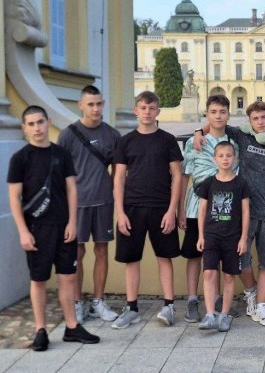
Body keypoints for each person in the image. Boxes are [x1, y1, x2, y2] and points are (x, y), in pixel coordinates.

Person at [7, 106, 99, 351]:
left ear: (48, 122)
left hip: (63, 226)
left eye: (40, 122)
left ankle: (72, 326)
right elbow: (14, 198)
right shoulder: (20, 158)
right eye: (31, 124)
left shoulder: (61, 154)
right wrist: (23, 231)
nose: (37, 128)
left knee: (68, 277)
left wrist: (72, 222)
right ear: (24, 128)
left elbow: (71, 189)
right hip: (36, 228)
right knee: (39, 279)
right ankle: (41, 330)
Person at [192, 101, 265, 325]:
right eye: (255, 118)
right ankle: (252, 292)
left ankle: (262, 306)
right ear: (250, 121)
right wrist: (198, 132)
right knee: (240, 260)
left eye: (264, 117)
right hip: (244, 212)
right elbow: (218, 123)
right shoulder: (243, 137)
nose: (260, 122)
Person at [112, 91, 183, 328]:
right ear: (136, 111)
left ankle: (169, 305)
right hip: (131, 208)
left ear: (158, 111)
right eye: (143, 108)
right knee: (131, 259)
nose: (147, 112)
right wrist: (120, 212)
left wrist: (172, 210)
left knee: (164, 257)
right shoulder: (125, 141)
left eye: (152, 108)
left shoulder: (167, 140)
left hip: (161, 207)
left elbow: (177, 175)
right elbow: (119, 177)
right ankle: (131, 308)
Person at [58, 85, 121, 323]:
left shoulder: (112, 135)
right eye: (91, 104)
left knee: (102, 250)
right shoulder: (68, 135)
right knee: (77, 252)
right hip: (76, 204)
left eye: (99, 104)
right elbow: (59, 172)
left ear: (103, 104)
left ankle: (98, 302)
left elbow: (118, 172)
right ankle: (77, 303)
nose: (95, 109)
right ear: (81, 105)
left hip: (103, 201)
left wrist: (112, 193)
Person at [179, 95, 239, 323]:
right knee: (194, 255)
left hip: (224, 210)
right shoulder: (194, 143)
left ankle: (217, 301)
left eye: (222, 112)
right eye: (213, 112)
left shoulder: (234, 143)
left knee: (220, 256)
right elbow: (184, 177)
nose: (218, 116)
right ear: (206, 114)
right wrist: (180, 209)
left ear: (228, 114)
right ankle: (193, 300)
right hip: (195, 208)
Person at [195, 141, 249, 333]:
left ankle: (224, 315)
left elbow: (245, 212)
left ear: (235, 158)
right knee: (209, 273)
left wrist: (243, 238)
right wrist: (201, 236)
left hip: (232, 237)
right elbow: (202, 211)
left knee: (228, 276)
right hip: (211, 236)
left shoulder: (241, 183)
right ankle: (210, 314)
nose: (225, 159)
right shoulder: (209, 183)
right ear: (215, 159)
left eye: (229, 155)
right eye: (221, 156)